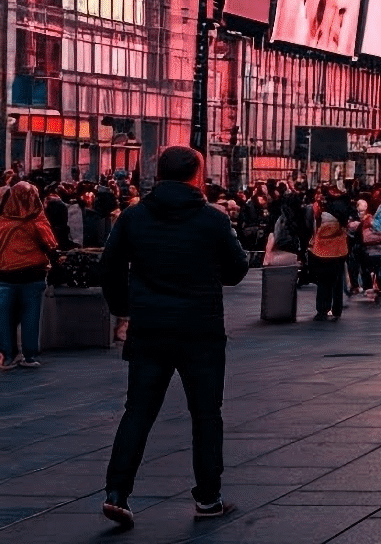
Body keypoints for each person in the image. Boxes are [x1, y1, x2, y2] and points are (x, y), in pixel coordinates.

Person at [99, 145, 249, 528]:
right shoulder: (212, 220)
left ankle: (117, 492)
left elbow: (110, 266)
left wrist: (124, 308)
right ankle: (208, 497)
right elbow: (235, 271)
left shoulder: (134, 217)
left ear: (159, 173)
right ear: (196, 174)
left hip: (150, 327)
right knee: (205, 415)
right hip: (201, 329)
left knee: (138, 411)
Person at [0, 182, 59, 369]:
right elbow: (51, 244)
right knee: (31, 316)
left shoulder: (2, 221)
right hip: (34, 275)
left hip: (5, 275)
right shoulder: (38, 220)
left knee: (4, 317)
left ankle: (8, 356)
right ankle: (30, 356)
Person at [307, 189, 350, 322]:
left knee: (323, 281)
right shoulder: (343, 211)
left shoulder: (325, 217)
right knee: (337, 281)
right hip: (339, 250)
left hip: (322, 252)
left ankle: (322, 310)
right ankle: (337, 309)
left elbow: (316, 232)